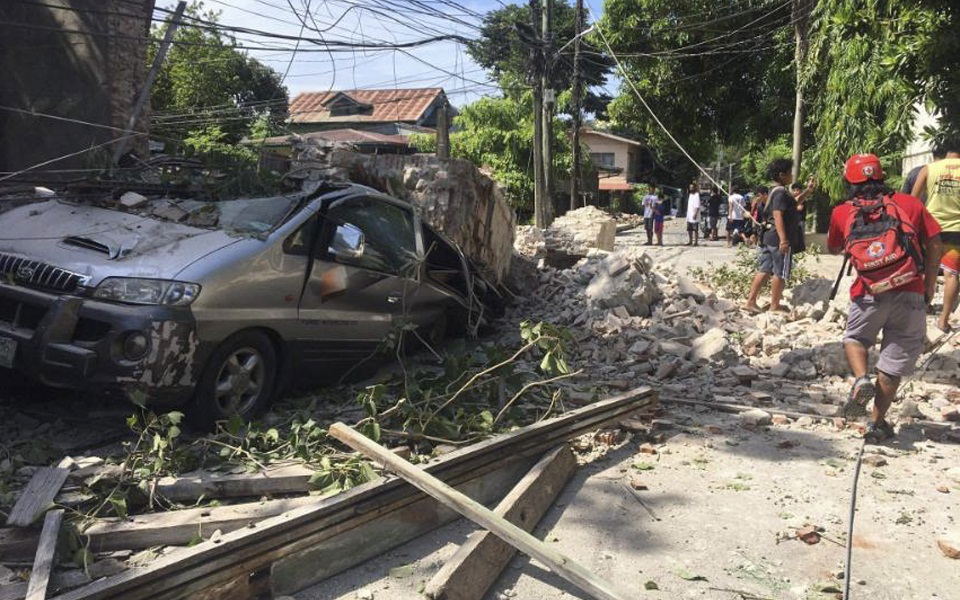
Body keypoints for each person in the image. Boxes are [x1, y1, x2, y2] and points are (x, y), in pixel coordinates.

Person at [828, 153, 941, 442]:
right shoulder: (911, 204)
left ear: (848, 180)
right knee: (893, 363)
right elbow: (934, 241)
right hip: (910, 288)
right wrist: (929, 283)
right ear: (881, 175)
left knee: (855, 339)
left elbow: (834, 247)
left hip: (868, 291)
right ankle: (876, 424)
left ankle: (862, 378)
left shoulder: (843, 211)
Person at [911, 140, 960, 332]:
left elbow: (913, 201)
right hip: (957, 230)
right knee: (952, 275)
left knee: (929, 271)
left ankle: (923, 311)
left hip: (931, 229)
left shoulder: (929, 169)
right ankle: (943, 320)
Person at [743, 159, 802, 313]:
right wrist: (783, 240)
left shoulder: (774, 191)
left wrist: (807, 192)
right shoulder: (781, 192)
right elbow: (778, 215)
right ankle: (775, 305)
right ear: (782, 175)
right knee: (780, 272)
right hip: (778, 238)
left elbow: (792, 205)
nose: (792, 175)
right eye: (789, 172)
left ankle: (751, 302)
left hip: (768, 237)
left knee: (765, 269)